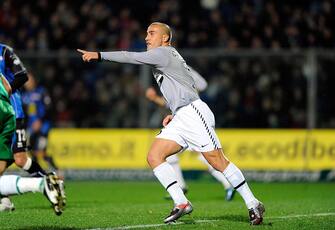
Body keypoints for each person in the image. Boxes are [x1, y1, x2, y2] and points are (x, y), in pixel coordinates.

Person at [77, 22, 265, 225]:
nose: (147, 37)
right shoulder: (167, 56)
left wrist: (98, 54)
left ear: (165, 38)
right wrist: (174, 112)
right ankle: (181, 202)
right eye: (146, 33)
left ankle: (253, 203)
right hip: (182, 115)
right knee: (154, 156)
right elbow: (183, 86)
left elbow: (130, 56)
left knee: (216, 160)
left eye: (152, 33)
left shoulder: (163, 54)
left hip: (193, 113)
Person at [146, 76, 235, 201]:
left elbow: (171, 103)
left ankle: (228, 184)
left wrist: (154, 98)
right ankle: (181, 186)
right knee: (173, 156)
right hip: (185, 121)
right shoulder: (175, 73)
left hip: (191, 122)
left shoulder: (175, 73)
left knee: (207, 157)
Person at [0, 43, 65, 209]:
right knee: (18, 159)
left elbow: (22, 76)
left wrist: (7, 88)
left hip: (12, 113)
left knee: (21, 159)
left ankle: (49, 182)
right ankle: (5, 198)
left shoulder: (4, 51)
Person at [22, 73, 59, 173]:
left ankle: (57, 171)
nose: (28, 82)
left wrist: (40, 121)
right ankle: (38, 173)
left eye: (30, 79)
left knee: (41, 151)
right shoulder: (24, 96)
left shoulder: (42, 92)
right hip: (31, 128)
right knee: (31, 151)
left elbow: (49, 108)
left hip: (43, 127)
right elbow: (24, 114)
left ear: (34, 80)